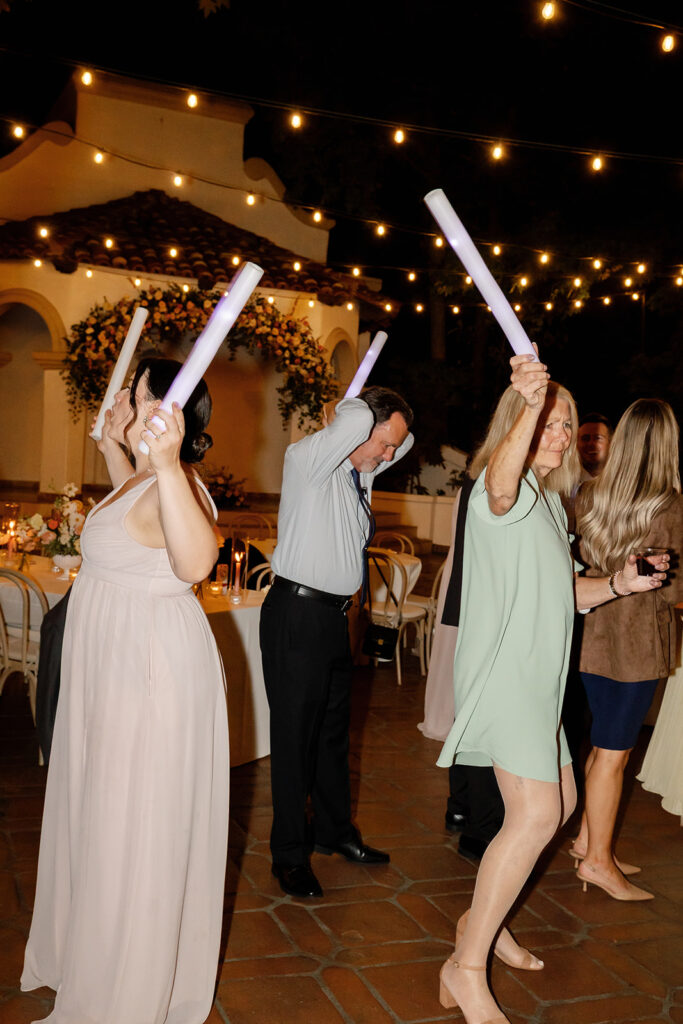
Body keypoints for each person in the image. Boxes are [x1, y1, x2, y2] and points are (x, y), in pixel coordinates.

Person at [436, 352, 666, 1024]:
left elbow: (564, 591)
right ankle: (466, 964)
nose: (561, 433)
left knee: (559, 801)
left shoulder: (547, 505)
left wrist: (619, 584)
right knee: (534, 816)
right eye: (547, 421)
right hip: (507, 674)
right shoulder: (495, 493)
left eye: (566, 423)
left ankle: (479, 921)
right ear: (518, 423)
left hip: (539, 681)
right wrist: (529, 402)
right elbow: (499, 483)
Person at [22, 357, 229, 1024]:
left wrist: (164, 464)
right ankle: (96, 952)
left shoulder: (180, 483)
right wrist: (115, 445)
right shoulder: (144, 480)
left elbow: (195, 562)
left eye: (136, 401)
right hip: (115, 663)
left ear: (169, 416)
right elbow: (130, 527)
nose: (127, 408)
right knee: (106, 814)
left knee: (134, 821)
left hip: (148, 672)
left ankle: (127, 987)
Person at [260, 385, 414, 898]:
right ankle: (288, 855)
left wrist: (383, 436)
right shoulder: (307, 461)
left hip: (333, 619)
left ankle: (333, 832)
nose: (389, 455)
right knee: (293, 741)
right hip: (296, 614)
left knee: (331, 735)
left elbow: (394, 443)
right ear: (359, 424)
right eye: (384, 442)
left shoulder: (357, 475)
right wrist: (356, 414)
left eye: (392, 447)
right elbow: (351, 425)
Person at [571, 398, 682, 900]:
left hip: (593, 636)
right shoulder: (670, 505)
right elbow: (674, 590)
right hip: (636, 645)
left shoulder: (591, 495)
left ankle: (586, 842)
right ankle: (598, 863)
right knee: (615, 756)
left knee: (602, 746)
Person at [419, 481, 504, 862]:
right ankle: (479, 823)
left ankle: (461, 804)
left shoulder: (474, 483)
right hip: (487, 609)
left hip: (467, 604)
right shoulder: (500, 485)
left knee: (468, 711)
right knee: (481, 715)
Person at [576, 412, 612, 479]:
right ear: (576, 444)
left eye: (598, 438)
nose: (591, 444)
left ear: (610, 443)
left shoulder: (623, 480)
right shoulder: (565, 482)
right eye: (585, 438)